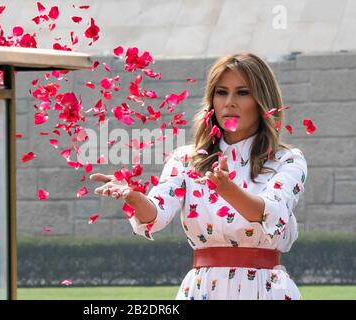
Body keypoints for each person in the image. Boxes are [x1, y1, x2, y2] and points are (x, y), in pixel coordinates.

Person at [90, 53, 307, 300]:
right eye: (221, 92)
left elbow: (271, 213)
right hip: (202, 290)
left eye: (243, 92)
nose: (230, 102)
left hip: (267, 288)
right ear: (211, 100)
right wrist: (133, 198)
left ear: (263, 100)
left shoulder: (287, 160)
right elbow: (156, 215)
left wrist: (226, 188)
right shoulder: (185, 159)